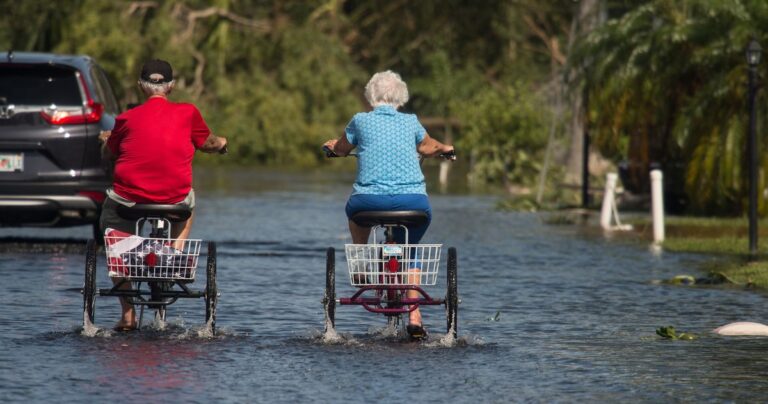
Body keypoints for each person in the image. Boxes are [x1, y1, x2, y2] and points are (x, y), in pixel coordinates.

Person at [323, 70, 454, 340]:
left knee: (354, 214)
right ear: (401, 96)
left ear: (371, 95)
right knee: (411, 247)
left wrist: (331, 146)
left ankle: (360, 262)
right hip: (412, 203)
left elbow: (342, 149)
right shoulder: (411, 122)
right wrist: (446, 148)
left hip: (368, 202)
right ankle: (415, 313)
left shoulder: (360, 120)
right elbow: (429, 147)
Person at [100, 59, 227, 331]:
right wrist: (222, 144)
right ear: (171, 86)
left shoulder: (125, 119)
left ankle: (128, 313)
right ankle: (174, 254)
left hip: (128, 200)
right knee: (188, 203)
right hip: (173, 201)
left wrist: (106, 140)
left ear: (140, 86)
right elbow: (208, 143)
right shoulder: (188, 113)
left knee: (113, 228)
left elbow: (109, 154)